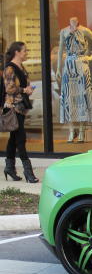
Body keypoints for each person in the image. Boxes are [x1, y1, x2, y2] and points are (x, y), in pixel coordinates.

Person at [3, 42, 39, 183]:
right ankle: (28, 172)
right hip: (13, 108)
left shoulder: (21, 67)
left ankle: (9, 168)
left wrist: (28, 88)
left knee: (13, 138)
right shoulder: (10, 69)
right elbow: (9, 88)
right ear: (17, 52)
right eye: (25, 50)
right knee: (20, 138)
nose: (27, 53)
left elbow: (23, 85)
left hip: (21, 107)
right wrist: (25, 90)